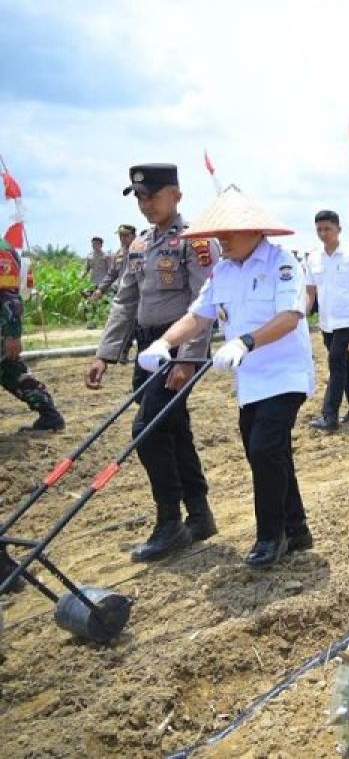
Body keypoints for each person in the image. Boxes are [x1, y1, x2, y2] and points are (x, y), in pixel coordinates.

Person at [140, 187, 315, 567]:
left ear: (254, 230)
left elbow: (290, 317)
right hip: (249, 380)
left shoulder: (282, 263)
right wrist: (164, 344)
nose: (221, 239)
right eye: (217, 233)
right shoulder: (222, 270)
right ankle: (297, 527)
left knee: (266, 449)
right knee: (267, 452)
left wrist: (245, 341)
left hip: (284, 373)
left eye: (229, 232)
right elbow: (198, 315)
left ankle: (271, 536)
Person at [85, 164, 217, 562]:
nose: (146, 205)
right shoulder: (140, 246)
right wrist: (104, 354)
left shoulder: (194, 242)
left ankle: (169, 522)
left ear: (176, 194)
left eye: (153, 196)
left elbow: (204, 303)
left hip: (179, 350)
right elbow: (125, 302)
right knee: (173, 430)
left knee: (148, 429)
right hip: (147, 351)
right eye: (140, 197)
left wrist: (190, 358)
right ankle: (199, 515)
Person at [305, 210, 349, 431]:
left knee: (336, 363)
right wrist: (300, 316)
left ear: (338, 230)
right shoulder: (313, 258)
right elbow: (310, 293)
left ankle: (329, 415)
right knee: (344, 365)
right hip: (327, 322)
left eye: (328, 229)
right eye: (319, 230)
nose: (323, 234)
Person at [0, 237, 64, 431]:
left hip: (2, 327)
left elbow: (9, 297)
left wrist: (12, 334)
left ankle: (49, 413)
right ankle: (49, 414)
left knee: (9, 370)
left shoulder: (2, 250)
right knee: (10, 371)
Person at [92, 225, 137, 299]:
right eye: (120, 236)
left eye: (126, 235)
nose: (122, 238)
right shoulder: (118, 253)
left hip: (137, 295)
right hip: (121, 292)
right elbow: (111, 274)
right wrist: (100, 289)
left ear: (134, 236)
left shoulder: (142, 250)